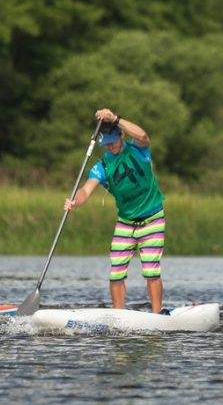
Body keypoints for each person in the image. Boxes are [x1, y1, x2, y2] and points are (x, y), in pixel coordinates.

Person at [64, 108, 168, 314]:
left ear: (121, 134)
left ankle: (157, 315)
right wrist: (75, 202)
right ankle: (118, 315)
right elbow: (86, 189)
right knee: (116, 273)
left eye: (113, 140)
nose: (110, 146)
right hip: (126, 222)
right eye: (106, 143)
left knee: (151, 271)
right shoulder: (102, 166)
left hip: (152, 218)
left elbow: (143, 135)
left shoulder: (139, 149)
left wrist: (116, 119)